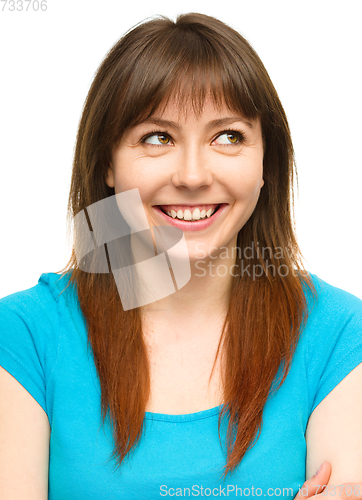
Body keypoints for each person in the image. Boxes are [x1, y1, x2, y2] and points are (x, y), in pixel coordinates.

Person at [1, 12, 362, 500]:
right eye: (158, 137)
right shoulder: (24, 335)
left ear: (265, 163)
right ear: (107, 162)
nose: (193, 175)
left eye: (227, 136)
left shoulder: (338, 334)